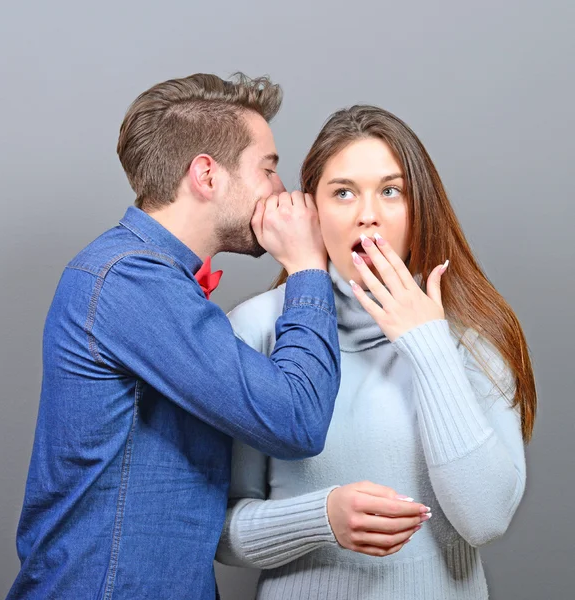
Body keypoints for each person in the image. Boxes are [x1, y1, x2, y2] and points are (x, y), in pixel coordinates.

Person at [7, 74, 343, 600]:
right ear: (207, 174)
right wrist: (306, 268)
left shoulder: (148, 278)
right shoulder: (129, 280)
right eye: (269, 169)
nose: (281, 191)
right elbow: (296, 418)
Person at [216, 104, 536, 599]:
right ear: (313, 211)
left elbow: (486, 518)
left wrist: (428, 346)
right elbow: (218, 532)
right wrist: (321, 519)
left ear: (419, 208)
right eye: (343, 193)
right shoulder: (256, 329)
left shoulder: (473, 336)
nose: (369, 215)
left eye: (391, 191)